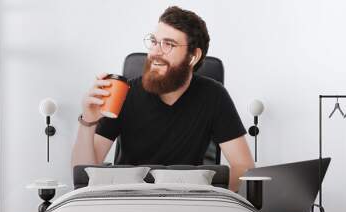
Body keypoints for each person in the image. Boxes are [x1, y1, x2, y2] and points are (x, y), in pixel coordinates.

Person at [71, 6, 254, 192]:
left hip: (186, 201)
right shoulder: (125, 93)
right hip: (129, 199)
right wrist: (88, 121)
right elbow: (84, 176)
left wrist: (220, 202)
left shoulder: (214, 95)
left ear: (193, 56)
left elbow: (243, 167)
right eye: (154, 42)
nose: (155, 53)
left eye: (168, 44)